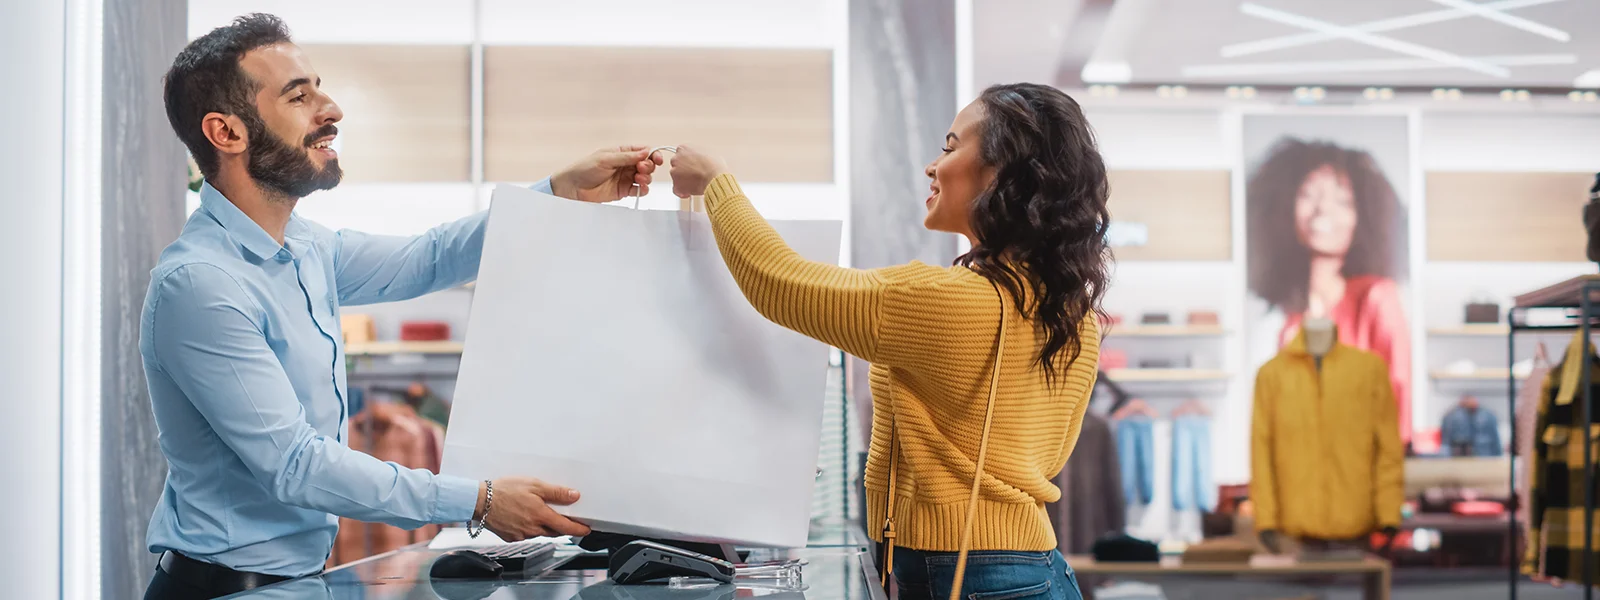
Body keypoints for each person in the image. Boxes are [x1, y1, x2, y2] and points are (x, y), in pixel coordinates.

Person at [143, 14, 659, 599]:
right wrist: (480, 500)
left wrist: (558, 194)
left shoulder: (307, 248)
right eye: (299, 95)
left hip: (297, 584)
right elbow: (296, 464)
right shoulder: (201, 285)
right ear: (227, 133)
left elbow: (428, 258)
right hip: (223, 589)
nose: (331, 109)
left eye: (319, 87)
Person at [669, 82, 1110, 600]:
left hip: (972, 574)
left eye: (949, 146)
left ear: (1002, 172)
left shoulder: (945, 300)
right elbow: (1043, 459)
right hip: (1024, 567)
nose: (932, 166)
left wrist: (717, 182)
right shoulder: (1071, 312)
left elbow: (779, 283)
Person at [1245, 137, 1411, 443]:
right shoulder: (1280, 320)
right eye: (1308, 195)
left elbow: (1398, 395)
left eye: (1343, 201)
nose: (1322, 210)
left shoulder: (1377, 298)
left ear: (1364, 215)